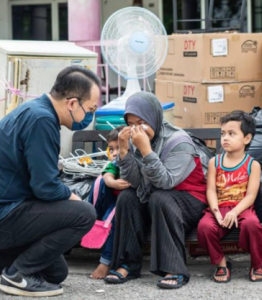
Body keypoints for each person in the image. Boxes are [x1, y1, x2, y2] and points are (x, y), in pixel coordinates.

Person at [0, 65, 100, 297]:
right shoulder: (42, 120)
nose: (90, 117)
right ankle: (18, 276)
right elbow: (45, 187)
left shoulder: (35, 110)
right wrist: (74, 200)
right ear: (73, 103)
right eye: (91, 110)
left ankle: (10, 267)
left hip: (12, 208)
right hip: (6, 212)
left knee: (55, 273)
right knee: (84, 213)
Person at [104, 92, 208, 289]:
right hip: (156, 198)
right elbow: (135, 183)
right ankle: (127, 264)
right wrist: (125, 152)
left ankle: (175, 269)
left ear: (154, 117)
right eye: (131, 123)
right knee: (127, 197)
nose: (136, 129)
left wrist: (146, 151)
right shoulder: (139, 139)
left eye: (141, 121)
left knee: (160, 197)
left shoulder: (180, 142)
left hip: (191, 201)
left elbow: (166, 182)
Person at [197, 110, 262, 283]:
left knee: (252, 225)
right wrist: (215, 211)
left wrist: (235, 212)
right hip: (219, 207)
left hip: (242, 208)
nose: (225, 138)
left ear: (247, 139)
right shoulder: (215, 162)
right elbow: (211, 190)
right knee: (204, 227)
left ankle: (257, 263)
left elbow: (251, 195)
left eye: (231, 133)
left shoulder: (253, 165)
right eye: (223, 134)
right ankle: (221, 264)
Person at [90, 125, 131, 279]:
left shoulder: (130, 162)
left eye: (118, 149)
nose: (114, 154)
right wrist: (111, 182)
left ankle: (106, 262)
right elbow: (108, 172)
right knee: (100, 181)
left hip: (126, 206)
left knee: (112, 217)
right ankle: (93, 217)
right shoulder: (115, 164)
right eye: (111, 149)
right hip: (111, 201)